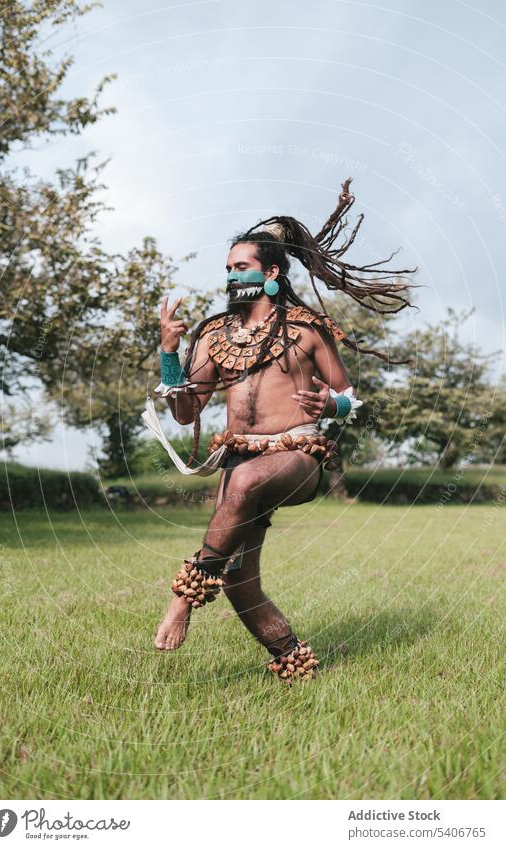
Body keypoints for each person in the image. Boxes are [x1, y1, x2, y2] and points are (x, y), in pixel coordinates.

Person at [147, 178, 418, 681]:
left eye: (241, 266)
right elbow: (187, 413)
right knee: (239, 581)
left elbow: (350, 397)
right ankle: (295, 666)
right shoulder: (212, 335)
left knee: (248, 483)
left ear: (271, 271)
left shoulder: (307, 328)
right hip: (237, 459)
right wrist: (167, 353)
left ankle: (181, 600)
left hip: (296, 456)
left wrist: (330, 403)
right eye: (227, 268)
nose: (231, 275)